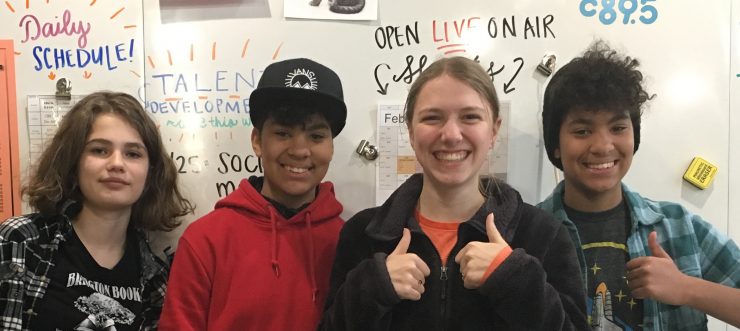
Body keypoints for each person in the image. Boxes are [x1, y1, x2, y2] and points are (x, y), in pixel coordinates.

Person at [319, 56, 588, 330]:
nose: (451, 134)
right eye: (432, 118)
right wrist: (373, 288)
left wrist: (513, 279)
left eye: (470, 117)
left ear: (494, 130)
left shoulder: (543, 235)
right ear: (411, 132)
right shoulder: (363, 234)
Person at [537, 41, 740, 330]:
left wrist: (687, 288)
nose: (603, 146)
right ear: (555, 144)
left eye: (618, 128)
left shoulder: (678, 226)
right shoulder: (529, 234)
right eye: (582, 131)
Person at [159, 58, 348, 330]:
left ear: (331, 147)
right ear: (257, 141)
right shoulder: (205, 240)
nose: (299, 150)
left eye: (316, 137)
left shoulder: (348, 241)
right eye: (283, 133)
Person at [0, 91, 193, 330]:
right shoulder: (19, 242)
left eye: (133, 153)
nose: (116, 164)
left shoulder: (157, 278)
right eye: (99, 150)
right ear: (73, 162)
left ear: (150, 173)